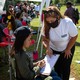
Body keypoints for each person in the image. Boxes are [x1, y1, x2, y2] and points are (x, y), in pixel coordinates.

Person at [42, 6, 78, 80]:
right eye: (48, 21)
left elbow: (74, 36)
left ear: (58, 17)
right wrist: (48, 48)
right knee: (57, 68)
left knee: (66, 68)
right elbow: (44, 39)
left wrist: (68, 49)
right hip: (54, 49)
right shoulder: (46, 25)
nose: (50, 23)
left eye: (52, 21)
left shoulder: (67, 22)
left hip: (67, 47)